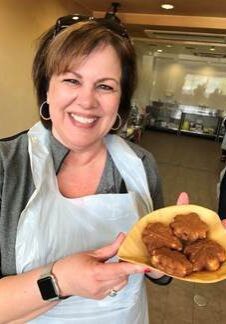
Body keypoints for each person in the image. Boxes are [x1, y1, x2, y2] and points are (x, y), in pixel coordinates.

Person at [0, 14, 170, 323]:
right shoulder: (5, 166)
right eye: (71, 80)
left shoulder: (141, 164)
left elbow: (155, 269)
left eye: (105, 86)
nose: (87, 101)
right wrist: (60, 281)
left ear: (120, 102)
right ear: (47, 89)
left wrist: (170, 256)